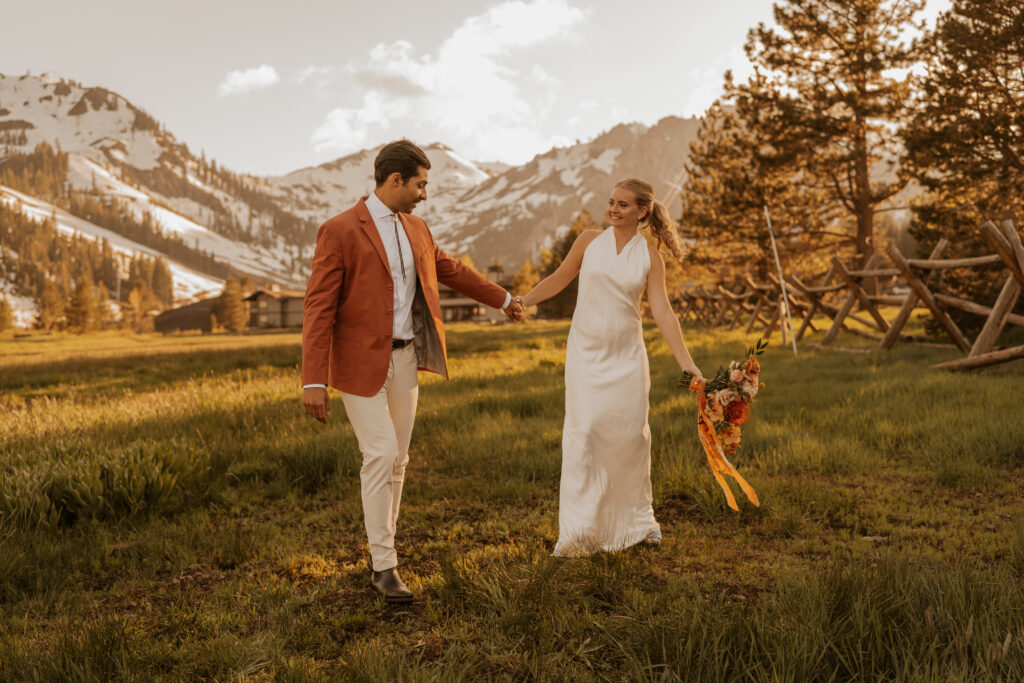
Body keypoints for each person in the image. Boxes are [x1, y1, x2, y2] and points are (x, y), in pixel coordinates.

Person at [301, 140, 524, 603]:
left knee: (399, 461)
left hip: (406, 361)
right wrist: (314, 379)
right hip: (359, 366)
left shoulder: (418, 228)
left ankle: (384, 550)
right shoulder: (339, 230)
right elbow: (318, 308)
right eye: (420, 184)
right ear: (395, 180)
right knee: (380, 455)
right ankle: (384, 567)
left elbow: (454, 271)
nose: (425, 193)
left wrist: (503, 299)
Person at [517, 178, 703, 556]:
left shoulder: (651, 257)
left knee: (631, 438)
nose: (614, 210)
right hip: (585, 355)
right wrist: (524, 299)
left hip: (627, 359)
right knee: (583, 435)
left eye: (623, 204)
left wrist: (689, 366)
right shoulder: (588, 241)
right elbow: (559, 278)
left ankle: (639, 522)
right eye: (611, 202)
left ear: (642, 211)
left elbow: (663, 314)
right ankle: (581, 531)